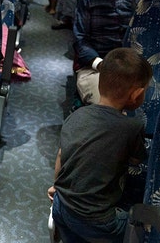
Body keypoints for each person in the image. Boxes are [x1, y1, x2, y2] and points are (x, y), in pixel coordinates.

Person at [48, 47, 152, 243]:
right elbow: (137, 160)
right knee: (140, 225)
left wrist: (56, 187)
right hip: (99, 222)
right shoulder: (132, 127)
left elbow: (62, 155)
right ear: (136, 94)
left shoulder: (76, 115)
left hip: (61, 207)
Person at [73, 0, 146, 105]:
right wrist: (100, 64)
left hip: (134, 67)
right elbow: (80, 39)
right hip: (96, 66)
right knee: (109, 107)